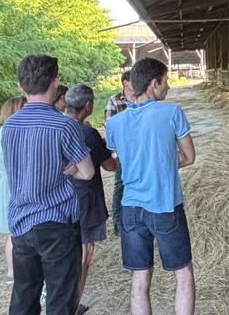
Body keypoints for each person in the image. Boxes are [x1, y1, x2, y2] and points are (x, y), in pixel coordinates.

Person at [1, 55, 94, 315]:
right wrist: (72, 168)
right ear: (55, 81)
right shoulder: (64, 125)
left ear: (21, 86)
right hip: (56, 223)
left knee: (24, 295)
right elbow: (87, 173)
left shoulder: (9, 125)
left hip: (21, 221)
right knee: (60, 299)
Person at [106, 58, 196, 315]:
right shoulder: (171, 113)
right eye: (165, 82)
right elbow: (189, 157)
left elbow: (122, 159)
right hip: (164, 204)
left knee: (140, 278)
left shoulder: (115, 123)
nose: (168, 87)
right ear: (153, 83)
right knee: (183, 274)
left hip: (131, 208)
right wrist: (164, 163)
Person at [64, 84, 116, 314]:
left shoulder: (55, 127)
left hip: (59, 202)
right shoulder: (88, 134)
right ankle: (72, 305)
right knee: (84, 253)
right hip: (85, 200)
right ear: (88, 105)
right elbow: (110, 165)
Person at [0, 96, 27, 283]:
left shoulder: (5, 130)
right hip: (12, 183)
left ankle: (14, 271)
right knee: (14, 230)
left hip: (10, 181)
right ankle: (12, 271)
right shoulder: (9, 131)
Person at [104, 70, 133, 235]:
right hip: (122, 151)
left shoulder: (140, 98)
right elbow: (110, 128)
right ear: (125, 83)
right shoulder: (114, 101)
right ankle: (118, 222)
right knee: (120, 184)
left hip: (138, 150)